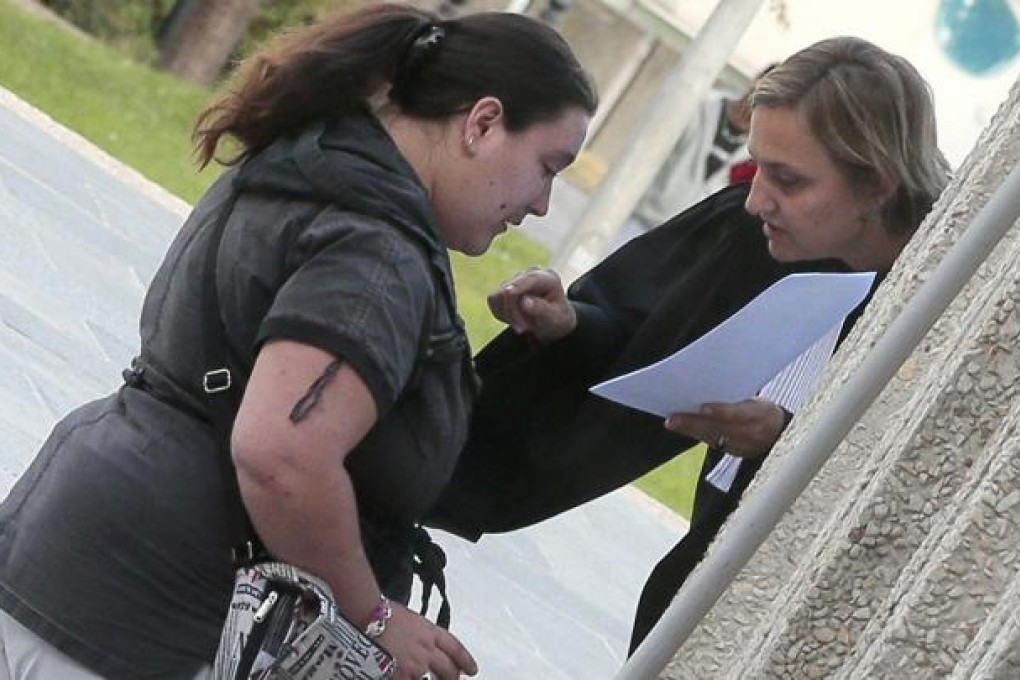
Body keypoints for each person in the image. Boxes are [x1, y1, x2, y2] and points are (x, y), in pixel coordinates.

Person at [0, 4, 596, 679]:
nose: (541, 203)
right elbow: (282, 453)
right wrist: (371, 614)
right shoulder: (376, 252)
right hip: (152, 618)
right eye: (548, 166)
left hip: (76, 562)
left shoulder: (312, 166)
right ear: (483, 123)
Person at [428, 35, 950, 657]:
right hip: (704, 573)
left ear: (878, 185)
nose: (759, 199)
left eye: (788, 180)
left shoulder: (950, 300)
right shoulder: (754, 228)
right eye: (758, 168)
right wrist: (573, 323)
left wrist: (785, 442)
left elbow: (926, 478)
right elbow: (650, 331)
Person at [631, 64, 777, 233]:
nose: (765, 97)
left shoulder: (760, 153)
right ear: (756, 79)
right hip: (639, 217)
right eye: (767, 85)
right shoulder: (700, 106)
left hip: (683, 237)